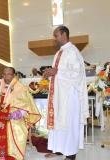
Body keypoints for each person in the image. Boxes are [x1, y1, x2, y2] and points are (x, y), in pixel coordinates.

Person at [0, 67, 41, 160]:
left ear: (14, 75)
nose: (6, 77)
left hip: (15, 116)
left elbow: (26, 107)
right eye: (4, 74)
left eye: (8, 74)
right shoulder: (0, 86)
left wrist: (13, 116)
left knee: (12, 127)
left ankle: (11, 154)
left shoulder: (20, 88)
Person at [43, 26, 89, 160]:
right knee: (58, 122)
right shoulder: (59, 53)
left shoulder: (73, 52)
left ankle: (70, 154)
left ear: (64, 34)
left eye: (55, 35)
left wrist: (57, 72)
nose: (54, 38)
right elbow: (57, 73)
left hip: (69, 96)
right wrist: (50, 73)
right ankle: (58, 150)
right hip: (58, 96)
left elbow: (78, 74)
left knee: (68, 123)